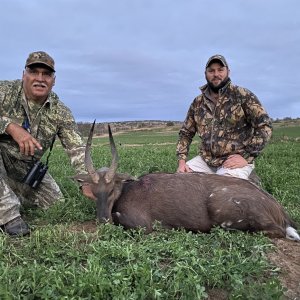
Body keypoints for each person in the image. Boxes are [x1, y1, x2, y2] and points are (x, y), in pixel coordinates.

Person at [0, 51, 94, 237]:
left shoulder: (60, 112)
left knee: (56, 204)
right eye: (34, 72)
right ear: (23, 75)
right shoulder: (4, 92)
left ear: (54, 80)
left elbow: (76, 147)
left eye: (47, 74)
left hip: (25, 166)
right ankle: (8, 216)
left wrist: (87, 180)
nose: (40, 78)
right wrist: (10, 127)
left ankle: (9, 192)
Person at [176, 54, 272, 180]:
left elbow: (264, 126)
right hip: (206, 161)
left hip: (233, 160)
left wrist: (247, 156)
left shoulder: (242, 95)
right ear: (205, 73)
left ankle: (250, 177)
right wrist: (182, 162)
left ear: (228, 71)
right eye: (211, 71)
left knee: (225, 191)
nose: (216, 74)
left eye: (220, 70)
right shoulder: (197, 103)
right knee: (181, 179)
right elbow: (186, 133)